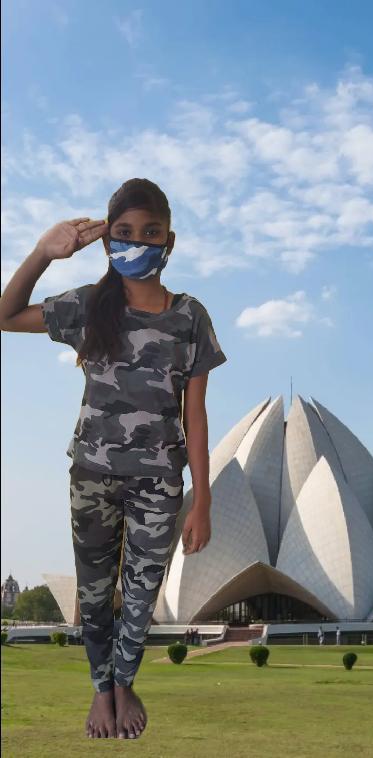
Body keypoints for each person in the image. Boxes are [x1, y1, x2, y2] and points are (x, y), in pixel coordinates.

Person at [0, 179, 228, 740]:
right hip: (92, 475)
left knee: (142, 594)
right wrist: (44, 252)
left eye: (150, 232)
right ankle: (102, 690)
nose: (137, 243)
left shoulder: (190, 316)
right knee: (95, 593)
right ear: (107, 243)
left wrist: (202, 499)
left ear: (169, 240)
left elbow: (196, 416)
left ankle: (124, 682)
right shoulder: (87, 306)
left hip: (159, 483)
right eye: (124, 233)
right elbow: (5, 316)